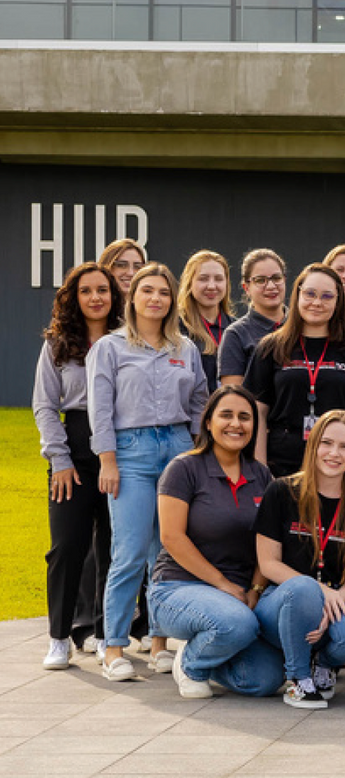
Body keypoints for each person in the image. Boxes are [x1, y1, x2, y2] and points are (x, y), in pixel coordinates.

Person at [86, 262, 208, 682]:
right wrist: (107, 460)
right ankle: (114, 647)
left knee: (168, 552)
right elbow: (99, 409)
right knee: (129, 552)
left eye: (163, 292)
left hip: (177, 450)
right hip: (131, 453)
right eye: (147, 290)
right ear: (132, 297)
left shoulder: (184, 348)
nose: (156, 298)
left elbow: (199, 404)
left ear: (172, 300)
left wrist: (198, 454)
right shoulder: (109, 348)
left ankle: (159, 642)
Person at [251, 408, 345, 707]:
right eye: (327, 443)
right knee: (302, 589)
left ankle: (324, 665)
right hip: (283, 599)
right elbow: (268, 564)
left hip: (339, 597)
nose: (334, 453)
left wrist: (334, 598)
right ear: (313, 445)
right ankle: (298, 680)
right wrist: (318, 591)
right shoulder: (281, 491)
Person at [148, 388, 276, 700]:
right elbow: (171, 538)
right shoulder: (183, 469)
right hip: (177, 588)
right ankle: (191, 664)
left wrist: (257, 589)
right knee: (238, 622)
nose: (236, 424)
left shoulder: (261, 475)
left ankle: (209, 654)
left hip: (240, 594)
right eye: (226, 415)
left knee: (263, 680)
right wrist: (222, 584)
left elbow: (269, 541)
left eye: (245, 417)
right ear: (208, 422)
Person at [35, 262, 122, 670]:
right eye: (86, 290)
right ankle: (59, 637)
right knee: (67, 547)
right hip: (71, 452)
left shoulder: (127, 339)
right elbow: (44, 405)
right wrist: (60, 459)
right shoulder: (57, 342)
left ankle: (106, 635)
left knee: (112, 546)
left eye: (102, 289)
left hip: (120, 452)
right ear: (74, 297)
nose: (95, 297)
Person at [244, 263, 345, 477]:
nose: (317, 303)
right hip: (281, 466)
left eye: (327, 296)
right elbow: (257, 413)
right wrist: (261, 469)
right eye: (310, 294)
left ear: (338, 302)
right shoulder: (271, 347)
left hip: (337, 468)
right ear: (297, 295)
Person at [218, 248, 287, 385]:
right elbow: (234, 399)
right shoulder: (236, 334)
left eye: (276, 278)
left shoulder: (303, 325)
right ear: (246, 288)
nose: (271, 286)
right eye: (261, 280)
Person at [177, 249, 233, 390]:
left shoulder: (238, 329)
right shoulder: (175, 328)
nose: (212, 286)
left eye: (219, 279)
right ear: (189, 282)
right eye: (203, 279)